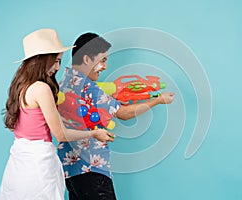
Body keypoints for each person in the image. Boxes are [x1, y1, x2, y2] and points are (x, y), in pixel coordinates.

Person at [0, 29, 114, 200]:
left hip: (19, 163)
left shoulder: (21, 86)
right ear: (42, 59)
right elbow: (61, 134)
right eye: (56, 61)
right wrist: (94, 133)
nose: (58, 67)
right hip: (39, 164)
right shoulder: (42, 89)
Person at [57, 32, 175, 200]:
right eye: (103, 60)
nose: (105, 66)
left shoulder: (64, 82)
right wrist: (159, 100)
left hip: (70, 170)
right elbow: (124, 114)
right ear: (86, 59)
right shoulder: (89, 87)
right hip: (92, 168)